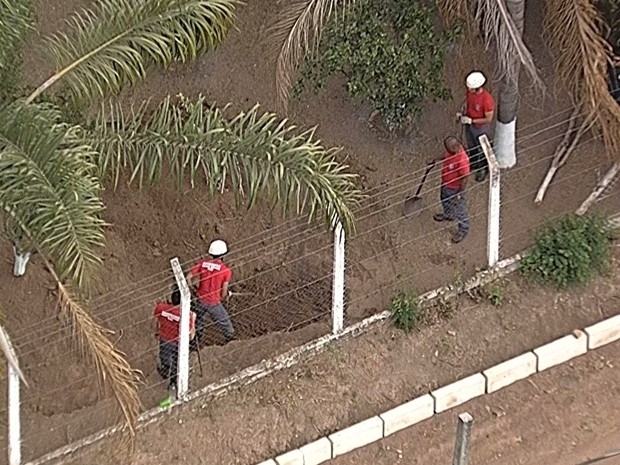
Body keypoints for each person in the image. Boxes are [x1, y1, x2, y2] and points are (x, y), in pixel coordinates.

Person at [186, 239, 235, 346]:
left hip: (200, 299)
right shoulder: (226, 271)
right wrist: (226, 296)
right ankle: (230, 340)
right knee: (225, 323)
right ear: (223, 255)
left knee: (198, 320)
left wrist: (193, 290)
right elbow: (223, 292)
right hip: (213, 302)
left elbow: (188, 277)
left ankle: (195, 342)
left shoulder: (202, 264)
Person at [428, 136, 470, 244]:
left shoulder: (462, 160)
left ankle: (463, 229)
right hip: (446, 184)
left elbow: (465, 178)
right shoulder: (451, 151)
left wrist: (460, 193)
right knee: (444, 199)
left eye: (449, 149)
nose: (447, 152)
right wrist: (435, 159)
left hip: (455, 188)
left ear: (456, 147)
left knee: (460, 210)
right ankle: (449, 215)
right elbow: (445, 155)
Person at [154, 285, 196, 391]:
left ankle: (165, 370)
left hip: (164, 339)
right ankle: (174, 382)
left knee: (165, 358)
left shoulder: (161, 308)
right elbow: (191, 336)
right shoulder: (186, 316)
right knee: (177, 362)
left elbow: (157, 320)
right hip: (178, 343)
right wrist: (193, 320)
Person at [458, 71, 495, 182]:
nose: (468, 90)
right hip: (470, 124)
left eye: (470, 88)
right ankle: (474, 162)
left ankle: (483, 168)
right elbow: (468, 103)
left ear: (478, 88)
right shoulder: (470, 93)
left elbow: (488, 119)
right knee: (472, 145)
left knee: (482, 148)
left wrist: (472, 120)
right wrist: (462, 113)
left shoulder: (487, 100)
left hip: (481, 127)